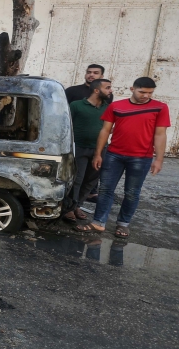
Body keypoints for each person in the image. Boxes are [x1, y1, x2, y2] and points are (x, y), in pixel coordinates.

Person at [77, 77, 170, 238]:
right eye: (142, 92)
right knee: (106, 189)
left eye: (150, 93)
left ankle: (123, 224)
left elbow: (160, 134)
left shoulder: (160, 108)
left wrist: (159, 159)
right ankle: (98, 222)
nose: (146, 96)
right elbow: (105, 131)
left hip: (142, 158)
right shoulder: (116, 106)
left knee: (132, 192)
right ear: (132, 89)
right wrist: (98, 154)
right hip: (114, 155)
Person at [63, 78, 112, 223]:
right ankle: (69, 208)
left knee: (90, 180)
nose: (110, 91)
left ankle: (78, 205)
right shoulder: (76, 105)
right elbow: (66, 125)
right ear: (97, 90)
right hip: (78, 147)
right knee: (76, 179)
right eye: (107, 88)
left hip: (99, 149)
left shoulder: (108, 108)